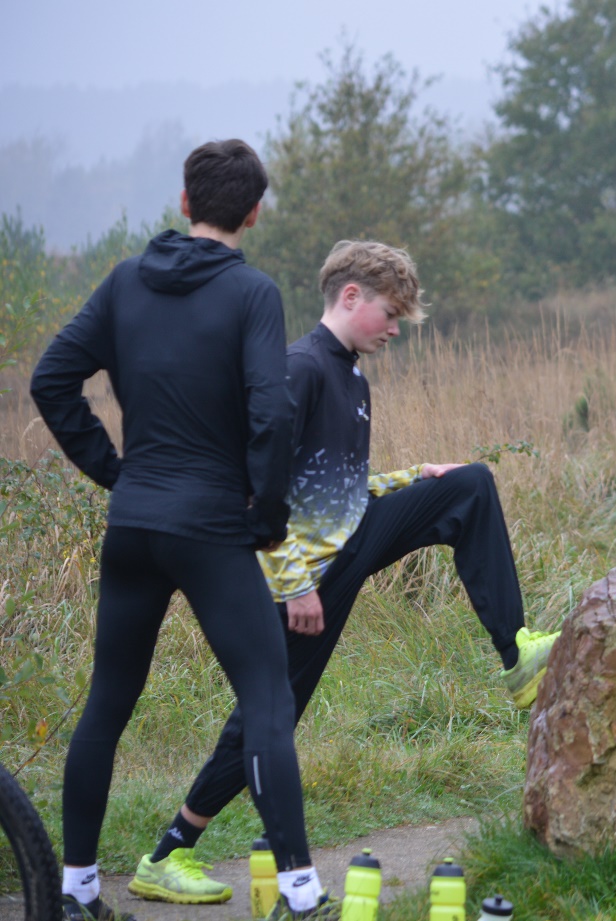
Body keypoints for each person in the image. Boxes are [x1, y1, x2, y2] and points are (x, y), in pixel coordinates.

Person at [129, 240, 558, 905]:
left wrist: (409, 479)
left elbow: (335, 488)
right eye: (390, 314)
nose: (394, 329)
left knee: (467, 486)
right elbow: (254, 489)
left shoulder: (350, 373)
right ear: (350, 296)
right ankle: (168, 854)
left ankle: (519, 653)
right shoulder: (298, 368)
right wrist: (295, 580)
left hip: (348, 546)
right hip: (304, 581)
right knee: (268, 719)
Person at [30, 140, 333, 920]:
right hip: (210, 526)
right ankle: (302, 896)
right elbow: (272, 410)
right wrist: (265, 518)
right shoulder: (253, 294)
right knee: (267, 697)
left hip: (133, 525)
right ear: (254, 212)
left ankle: (73, 891)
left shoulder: (126, 281)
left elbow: (51, 378)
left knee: (107, 703)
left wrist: (115, 473)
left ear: (184, 202)